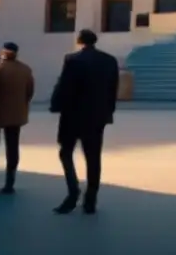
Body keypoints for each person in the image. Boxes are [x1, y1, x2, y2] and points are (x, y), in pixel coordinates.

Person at [49, 29, 119, 215]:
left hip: (73, 115)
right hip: (97, 116)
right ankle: (91, 199)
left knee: (65, 152)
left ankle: (73, 192)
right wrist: (107, 112)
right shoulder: (109, 60)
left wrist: (55, 105)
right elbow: (113, 90)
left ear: (80, 41)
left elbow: (64, 86)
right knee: (93, 157)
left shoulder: (72, 59)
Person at [0, 42, 35, 194]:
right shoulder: (25, 69)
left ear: (3, 53)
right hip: (16, 115)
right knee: (12, 148)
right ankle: (10, 183)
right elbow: (29, 92)